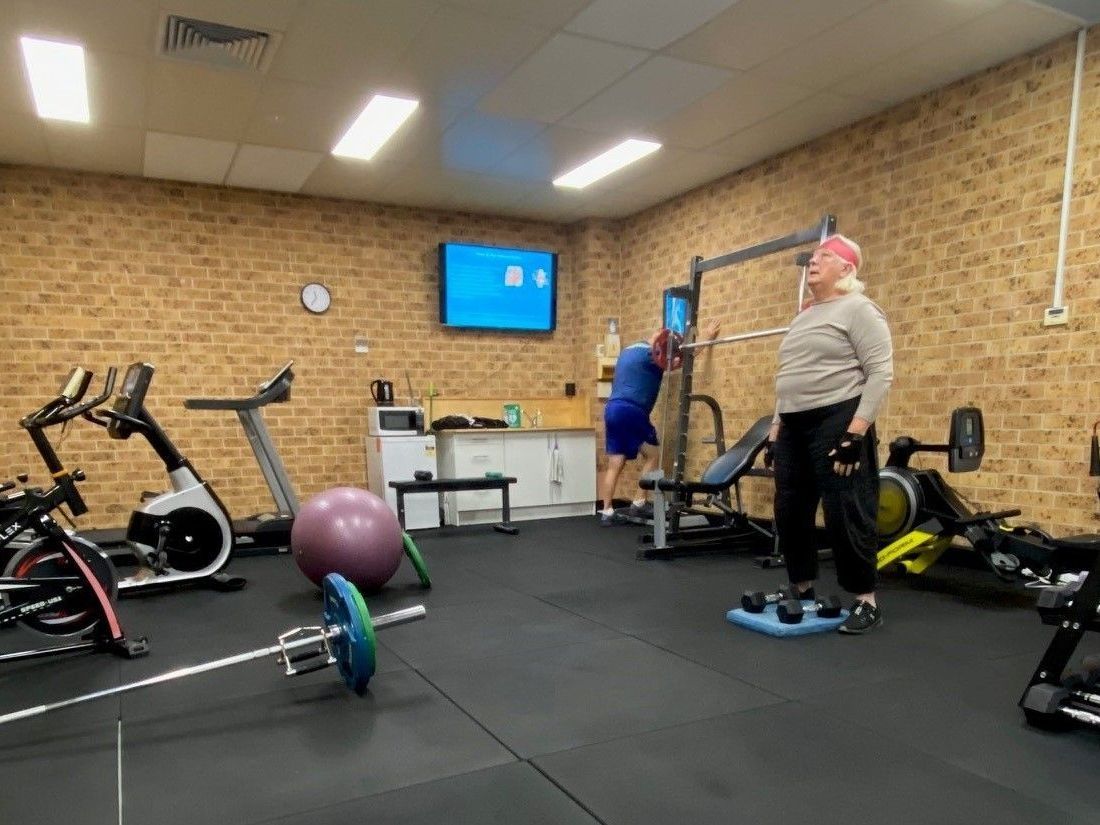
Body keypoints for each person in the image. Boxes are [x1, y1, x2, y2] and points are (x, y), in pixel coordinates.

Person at [766, 234, 893, 634]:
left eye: (824, 257)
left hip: (838, 418)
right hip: (794, 423)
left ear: (847, 269)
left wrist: (855, 434)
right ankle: (801, 589)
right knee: (790, 509)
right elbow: (789, 377)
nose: (813, 263)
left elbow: (881, 373)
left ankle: (865, 600)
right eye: (813, 257)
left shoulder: (860, 309)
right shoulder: (804, 315)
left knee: (846, 510)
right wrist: (775, 428)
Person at [599, 319, 720, 526]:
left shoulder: (628, 351)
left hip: (612, 409)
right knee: (653, 455)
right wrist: (707, 337)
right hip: (632, 410)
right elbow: (687, 356)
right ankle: (639, 501)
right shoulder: (653, 355)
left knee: (615, 463)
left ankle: (607, 511)